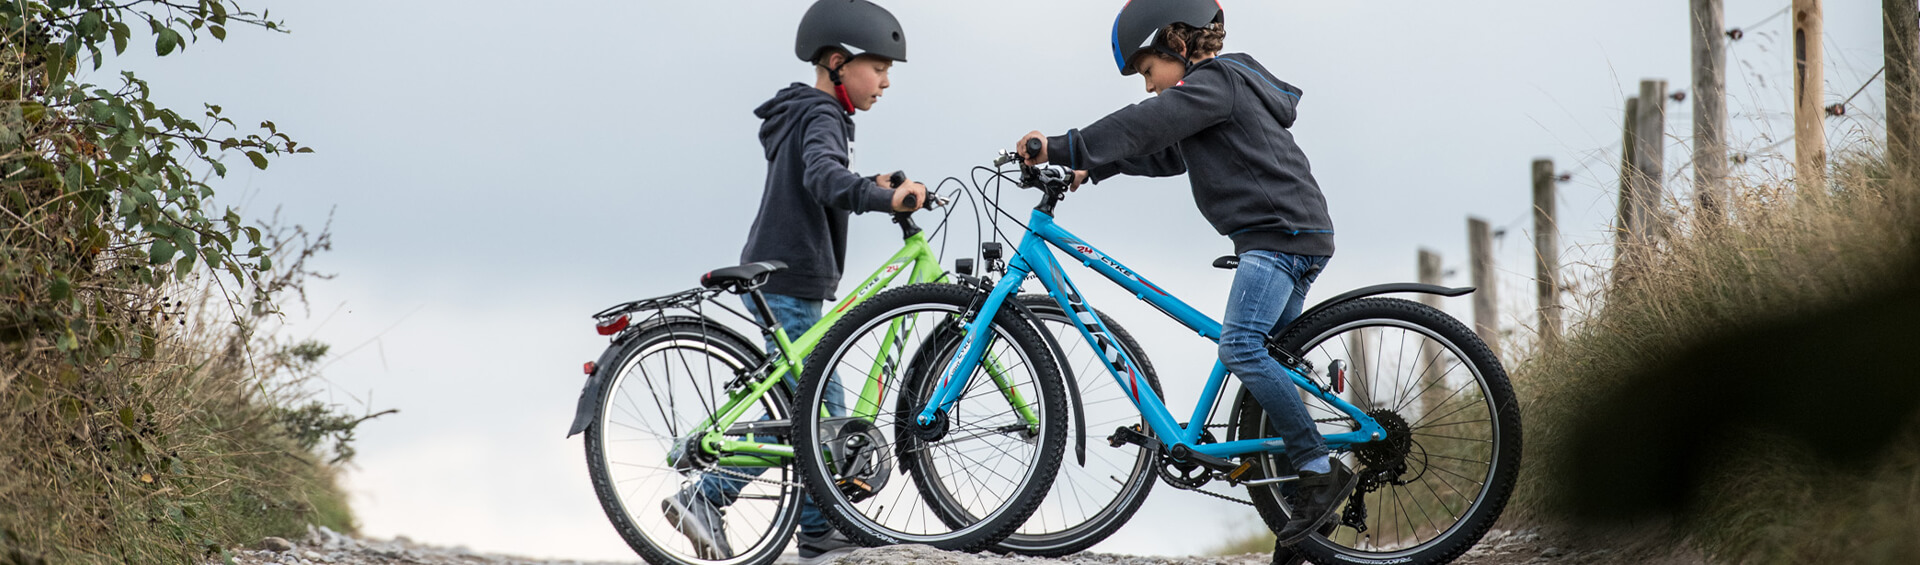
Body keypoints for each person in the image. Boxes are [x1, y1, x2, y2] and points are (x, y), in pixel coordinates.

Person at [1012, 0, 1357, 546]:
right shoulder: (1216, 95)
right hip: (1288, 235)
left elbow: (1146, 123)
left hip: (1277, 238)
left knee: (1241, 348)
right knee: (1274, 363)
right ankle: (1307, 518)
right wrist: (1091, 165)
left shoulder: (1217, 81)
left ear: (1174, 43)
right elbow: (1167, 149)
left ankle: (1317, 469)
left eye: (1148, 71)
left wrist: (1063, 144)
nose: (1148, 87)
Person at [662, 1, 925, 563]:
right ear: (837, 63)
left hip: (789, 271)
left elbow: (821, 174)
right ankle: (705, 498)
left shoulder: (808, 114)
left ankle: (816, 529)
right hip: (790, 273)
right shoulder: (823, 115)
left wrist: (870, 181)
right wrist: (881, 196)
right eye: (878, 67)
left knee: (811, 410)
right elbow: (824, 177)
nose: (885, 81)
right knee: (816, 415)